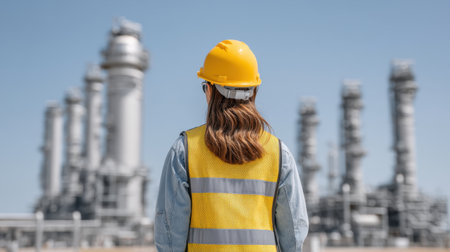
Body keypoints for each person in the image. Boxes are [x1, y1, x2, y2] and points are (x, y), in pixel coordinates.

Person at [154, 39, 309, 252]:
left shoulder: (185, 151)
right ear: (254, 92)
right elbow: (294, 234)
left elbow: (170, 235)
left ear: (209, 90)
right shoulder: (279, 154)